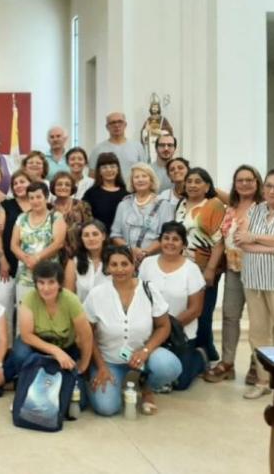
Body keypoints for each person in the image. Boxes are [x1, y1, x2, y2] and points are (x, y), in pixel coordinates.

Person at [84, 246, 182, 416]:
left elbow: (164, 326)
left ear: (133, 265)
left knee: (170, 367)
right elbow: (87, 334)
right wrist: (101, 367)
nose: (120, 269)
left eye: (125, 264)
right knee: (107, 408)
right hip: (109, 360)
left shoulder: (148, 290)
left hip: (143, 356)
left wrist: (146, 351)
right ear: (107, 268)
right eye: (114, 265)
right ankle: (103, 381)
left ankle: (147, 388)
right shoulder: (96, 295)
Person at [235, 168, 274, 399]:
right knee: (258, 334)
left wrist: (256, 238)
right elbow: (242, 242)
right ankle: (263, 381)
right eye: (269, 186)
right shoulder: (254, 210)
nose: (271, 191)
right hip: (254, 280)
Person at [204, 165, 263, 384]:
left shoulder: (264, 208)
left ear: (257, 182)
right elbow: (221, 240)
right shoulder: (230, 208)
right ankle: (227, 363)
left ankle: (257, 365)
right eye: (240, 180)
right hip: (233, 269)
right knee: (229, 316)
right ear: (235, 184)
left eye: (250, 180)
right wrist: (210, 268)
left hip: (259, 270)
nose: (245, 184)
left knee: (259, 321)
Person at [139, 222, 207, 390]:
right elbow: (139, 297)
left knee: (180, 383)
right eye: (166, 238)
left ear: (183, 244)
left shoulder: (191, 269)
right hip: (151, 331)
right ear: (160, 241)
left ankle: (199, 357)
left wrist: (167, 327)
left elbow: (195, 309)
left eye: (175, 239)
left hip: (180, 333)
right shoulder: (147, 264)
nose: (170, 243)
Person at [175, 167, 225, 362]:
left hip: (204, 267)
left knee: (203, 314)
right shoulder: (181, 204)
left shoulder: (214, 205)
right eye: (189, 181)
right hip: (181, 267)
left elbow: (219, 241)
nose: (192, 185)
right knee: (187, 311)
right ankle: (200, 352)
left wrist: (211, 269)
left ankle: (203, 354)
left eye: (198, 181)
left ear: (207, 186)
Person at [13, 260, 93, 376]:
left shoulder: (71, 300)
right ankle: (23, 378)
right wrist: (55, 351)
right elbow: (26, 335)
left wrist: (83, 366)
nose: (46, 288)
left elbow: (86, 335)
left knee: (72, 375)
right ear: (35, 284)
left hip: (66, 346)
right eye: (41, 282)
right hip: (36, 345)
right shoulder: (29, 299)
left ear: (60, 283)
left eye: (51, 282)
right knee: (21, 354)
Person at [11, 181, 67, 305]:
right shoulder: (22, 218)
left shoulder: (56, 217)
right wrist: (27, 260)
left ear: (46, 198)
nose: (35, 201)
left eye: (38, 197)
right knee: (24, 313)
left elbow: (58, 243)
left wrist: (36, 258)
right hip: (25, 276)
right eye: (31, 198)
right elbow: (14, 245)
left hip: (49, 276)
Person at [0, 169, 32, 337]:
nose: (19, 185)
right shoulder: (6, 205)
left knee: (25, 306)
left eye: (22, 181)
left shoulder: (38, 203)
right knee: (2, 303)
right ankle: (5, 345)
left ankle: (21, 343)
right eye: (15, 183)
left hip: (31, 263)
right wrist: (2, 258)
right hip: (7, 262)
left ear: (30, 183)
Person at [110, 163, 174, 263]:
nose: (140, 180)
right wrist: (130, 250)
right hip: (128, 260)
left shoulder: (163, 205)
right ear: (132, 181)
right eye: (136, 177)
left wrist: (145, 252)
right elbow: (115, 235)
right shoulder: (123, 205)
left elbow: (167, 235)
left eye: (144, 176)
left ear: (151, 180)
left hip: (155, 260)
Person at [89, 112, 146, 180]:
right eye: (113, 122)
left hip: (132, 189)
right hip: (106, 189)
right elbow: (92, 176)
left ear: (125, 125)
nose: (116, 125)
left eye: (120, 122)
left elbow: (145, 171)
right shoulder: (98, 149)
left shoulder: (137, 147)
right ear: (107, 127)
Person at [64, 219, 110, 302]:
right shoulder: (73, 262)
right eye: (86, 235)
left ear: (103, 236)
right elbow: (68, 296)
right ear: (81, 239)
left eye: (95, 234)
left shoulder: (113, 259)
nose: (91, 238)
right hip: (83, 312)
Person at [49, 171, 93, 258]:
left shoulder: (82, 206)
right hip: (55, 256)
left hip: (81, 255)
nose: (63, 187)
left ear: (72, 188)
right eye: (59, 184)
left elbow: (90, 229)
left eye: (67, 185)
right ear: (53, 187)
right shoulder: (48, 208)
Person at [82, 152, 128, 232]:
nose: (109, 170)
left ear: (118, 169)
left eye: (112, 166)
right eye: (104, 167)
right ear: (99, 171)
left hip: (122, 239)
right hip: (98, 238)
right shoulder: (91, 194)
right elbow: (86, 219)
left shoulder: (126, 194)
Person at [140, 96, 174, 165]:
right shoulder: (148, 120)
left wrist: (160, 132)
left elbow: (169, 131)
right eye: (153, 107)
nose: (154, 109)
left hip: (160, 141)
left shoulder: (163, 119)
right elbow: (144, 133)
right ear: (150, 108)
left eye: (156, 107)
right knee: (151, 158)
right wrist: (145, 131)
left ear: (158, 108)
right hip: (151, 143)